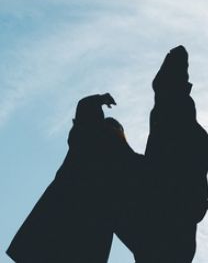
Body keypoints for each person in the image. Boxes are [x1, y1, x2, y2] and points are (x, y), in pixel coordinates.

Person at [7, 93, 141, 263]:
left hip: (60, 230)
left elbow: (85, 109)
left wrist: (100, 99)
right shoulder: (99, 149)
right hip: (72, 232)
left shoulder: (87, 144)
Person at [140, 45, 208, 263]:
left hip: (181, 199)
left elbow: (201, 145)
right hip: (172, 199)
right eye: (182, 71)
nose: (186, 75)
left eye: (186, 70)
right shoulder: (171, 104)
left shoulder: (179, 104)